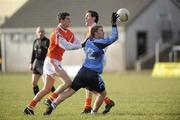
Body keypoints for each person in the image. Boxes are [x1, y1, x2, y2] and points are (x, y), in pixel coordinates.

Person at [43, 12, 119, 115]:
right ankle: (94, 112)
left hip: (82, 72)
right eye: (101, 31)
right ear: (95, 34)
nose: (103, 33)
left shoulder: (87, 42)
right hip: (93, 74)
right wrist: (114, 24)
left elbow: (82, 44)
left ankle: (53, 105)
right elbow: (114, 37)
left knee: (70, 91)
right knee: (102, 94)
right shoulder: (100, 42)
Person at [23, 12, 82, 115]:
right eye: (67, 19)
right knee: (68, 82)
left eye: (69, 19)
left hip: (53, 61)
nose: (70, 21)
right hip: (52, 62)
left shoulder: (68, 32)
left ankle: (29, 107)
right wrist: (84, 44)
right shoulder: (57, 33)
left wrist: (87, 43)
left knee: (46, 89)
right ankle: (51, 99)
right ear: (61, 21)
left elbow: (78, 43)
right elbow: (67, 46)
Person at [81, 10, 115, 114]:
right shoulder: (90, 29)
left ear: (94, 18)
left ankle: (106, 101)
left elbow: (104, 45)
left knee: (87, 83)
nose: (85, 18)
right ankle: (88, 106)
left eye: (87, 16)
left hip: (96, 61)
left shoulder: (95, 29)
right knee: (88, 84)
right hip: (91, 61)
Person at [29, 26, 55, 96]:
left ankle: (55, 96)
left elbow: (50, 52)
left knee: (47, 84)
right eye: (39, 32)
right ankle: (37, 98)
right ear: (36, 33)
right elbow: (33, 53)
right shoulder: (35, 41)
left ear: (44, 33)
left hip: (44, 63)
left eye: (42, 32)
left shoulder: (47, 41)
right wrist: (31, 63)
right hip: (37, 63)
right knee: (34, 83)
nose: (40, 33)